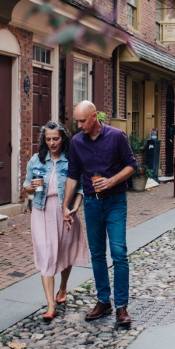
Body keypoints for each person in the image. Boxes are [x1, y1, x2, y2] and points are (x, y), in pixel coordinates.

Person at [63, 101, 137, 326]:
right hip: (92, 205)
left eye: (83, 121)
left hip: (115, 201)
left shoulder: (116, 137)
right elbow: (73, 176)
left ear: (94, 117)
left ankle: (121, 306)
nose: (79, 125)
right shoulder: (76, 142)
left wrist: (112, 180)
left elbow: (132, 165)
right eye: (76, 121)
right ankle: (103, 301)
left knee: (119, 252)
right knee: (97, 254)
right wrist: (65, 206)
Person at [24, 121, 89, 321]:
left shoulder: (71, 160)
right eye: (48, 139)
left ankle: (62, 288)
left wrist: (74, 209)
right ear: (44, 140)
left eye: (56, 139)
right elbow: (25, 186)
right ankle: (50, 305)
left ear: (63, 139)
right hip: (41, 210)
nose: (52, 143)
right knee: (46, 254)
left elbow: (80, 189)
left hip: (64, 210)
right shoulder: (36, 160)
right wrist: (31, 187)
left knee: (65, 250)